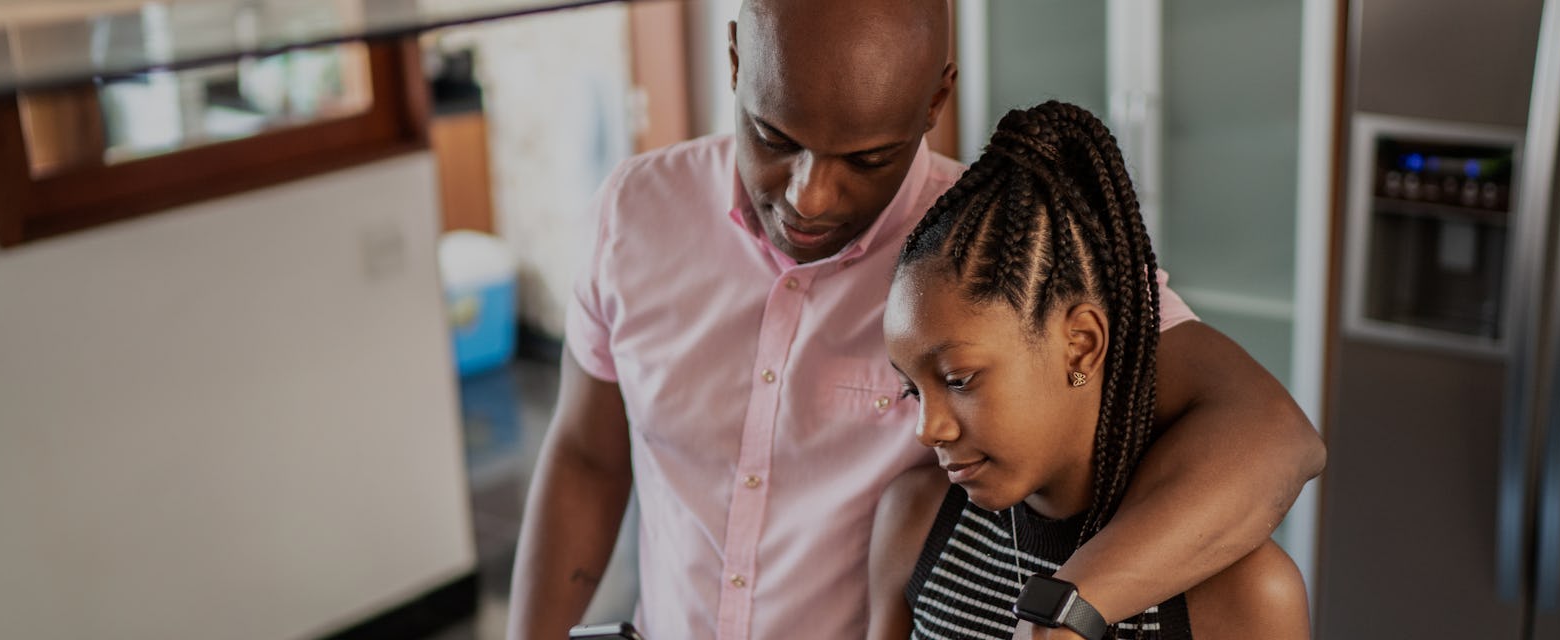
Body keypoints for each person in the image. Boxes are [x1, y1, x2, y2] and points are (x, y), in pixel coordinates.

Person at [506, 1, 1325, 638]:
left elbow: (1273, 435)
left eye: (864, 158)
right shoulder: (635, 213)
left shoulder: (989, 256)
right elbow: (585, 458)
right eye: (773, 135)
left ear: (936, 99)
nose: (808, 197)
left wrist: (1070, 608)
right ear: (733, 60)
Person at [869, 101, 1309, 640]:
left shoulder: (1244, 596)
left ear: (1080, 345)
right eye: (913, 390)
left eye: (959, 379)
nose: (927, 428)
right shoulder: (915, 524)